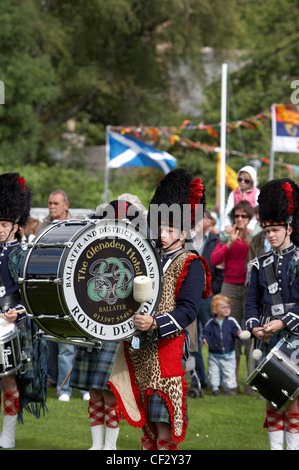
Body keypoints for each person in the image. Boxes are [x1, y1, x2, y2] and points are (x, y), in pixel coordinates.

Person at [108, 168, 211, 450]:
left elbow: (188, 310)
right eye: (159, 227)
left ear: (185, 230)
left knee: (164, 426)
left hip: (167, 350)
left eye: (169, 229)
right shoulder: (146, 257)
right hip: (139, 349)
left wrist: (155, 323)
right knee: (147, 429)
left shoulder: (192, 263)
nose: (162, 235)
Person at [69, 198, 146, 450]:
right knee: (93, 389)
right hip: (92, 326)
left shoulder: (137, 253)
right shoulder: (94, 248)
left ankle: (110, 447)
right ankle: (96, 445)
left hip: (117, 329)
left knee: (110, 390)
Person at [245, 178, 299, 450]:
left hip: (295, 338)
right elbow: (251, 304)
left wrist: (282, 322)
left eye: (276, 230)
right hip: (268, 338)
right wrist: (255, 326)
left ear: (289, 227)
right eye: (268, 232)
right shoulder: (259, 265)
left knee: (295, 400)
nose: (272, 236)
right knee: (273, 398)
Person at [0, 173, 47, 448]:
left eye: (3, 224)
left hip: (12, 324)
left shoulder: (25, 253)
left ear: (15, 225)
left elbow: (35, 295)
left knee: (8, 383)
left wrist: (18, 311)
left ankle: (7, 436)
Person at [37, 190, 87, 402]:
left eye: (55, 203)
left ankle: (84, 387)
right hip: (50, 288)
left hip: (74, 289)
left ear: (66, 204)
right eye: (49, 203)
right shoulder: (43, 226)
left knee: (80, 339)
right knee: (57, 340)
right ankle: (63, 388)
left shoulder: (78, 225)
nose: (51, 207)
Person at [211, 200, 254, 390]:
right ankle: (231, 382)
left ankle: (251, 384)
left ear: (249, 218)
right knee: (230, 332)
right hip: (229, 285)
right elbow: (214, 259)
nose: (240, 219)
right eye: (237, 216)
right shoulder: (226, 236)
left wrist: (248, 240)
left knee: (252, 335)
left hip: (250, 287)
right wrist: (229, 242)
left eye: (244, 216)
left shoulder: (256, 237)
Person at [191, 209, 224, 389]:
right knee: (192, 342)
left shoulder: (216, 241)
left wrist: (213, 291)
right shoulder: (186, 241)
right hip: (189, 298)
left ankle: (216, 381)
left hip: (207, 298)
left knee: (214, 338)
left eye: (200, 218)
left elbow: (220, 271)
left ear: (209, 223)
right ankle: (199, 380)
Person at [202, 294, 242, 396]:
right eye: (223, 307)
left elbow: (237, 332)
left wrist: (238, 334)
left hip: (229, 354)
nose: (226, 309)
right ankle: (215, 389)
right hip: (214, 354)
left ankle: (228, 389)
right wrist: (205, 339)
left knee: (229, 372)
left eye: (228, 307)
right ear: (215, 310)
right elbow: (205, 333)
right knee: (213, 372)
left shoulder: (232, 321)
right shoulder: (211, 323)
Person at [224, 165, 260, 234]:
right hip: (236, 221)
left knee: (254, 236)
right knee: (224, 236)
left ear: (252, 181)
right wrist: (227, 224)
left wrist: (250, 226)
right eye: (240, 179)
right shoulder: (234, 192)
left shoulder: (257, 193)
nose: (242, 182)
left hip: (253, 222)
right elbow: (228, 211)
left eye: (246, 181)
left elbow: (257, 212)